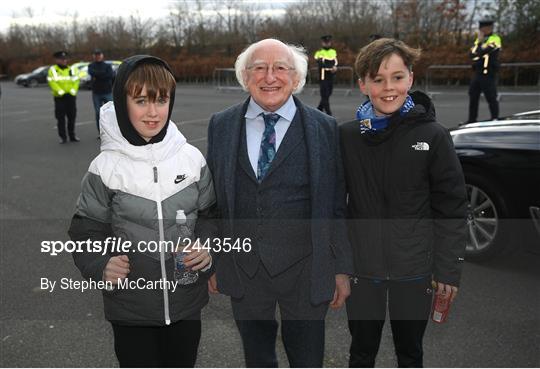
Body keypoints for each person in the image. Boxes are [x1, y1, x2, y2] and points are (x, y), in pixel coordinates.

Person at [206, 38, 353, 367]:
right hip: (245, 268)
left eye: (280, 68)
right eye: (259, 68)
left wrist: (341, 268)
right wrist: (213, 258)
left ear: (297, 79)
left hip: (305, 268)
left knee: (307, 358)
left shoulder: (325, 129)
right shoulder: (222, 125)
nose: (269, 76)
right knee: (257, 358)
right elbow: (211, 199)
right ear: (245, 77)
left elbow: (336, 205)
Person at [68, 55, 216, 368]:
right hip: (130, 309)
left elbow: (210, 217)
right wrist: (100, 264)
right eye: (141, 100)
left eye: (161, 100)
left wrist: (207, 248)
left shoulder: (191, 158)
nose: (153, 112)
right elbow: (84, 232)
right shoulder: (104, 167)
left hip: (186, 305)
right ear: (122, 103)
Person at [340, 38, 468, 367]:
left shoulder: (434, 136)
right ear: (362, 84)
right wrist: (337, 265)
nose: (388, 88)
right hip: (363, 272)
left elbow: (451, 208)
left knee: (410, 352)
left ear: (410, 78)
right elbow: (334, 206)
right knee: (361, 351)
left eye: (397, 77)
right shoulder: (348, 136)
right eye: (378, 79)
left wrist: (448, 270)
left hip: (414, 271)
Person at [467, 19, 502, 123]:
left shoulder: (495, 38)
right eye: (480, 29)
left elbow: (488, 51)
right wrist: (479, 48)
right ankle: (472, 120)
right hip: (478, 73)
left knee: (491, 97)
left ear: (489, 28)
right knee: (473, 96)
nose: (481, 31)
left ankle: (494, 118)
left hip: (489, 73)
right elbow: (471, 54)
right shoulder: (479, 40)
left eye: (482, 29)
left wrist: (479, 52)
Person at [47, 51, 80, 143]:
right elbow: (52, 82)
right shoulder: (53, 70)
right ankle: (63, 137)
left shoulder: (71, 69)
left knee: (72, 116)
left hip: (71, 96)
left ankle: (72, 135)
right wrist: (60, 91)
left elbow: (76, 80)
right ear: (57, 60)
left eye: (65, 59)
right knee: (60, 118)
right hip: (60, 97)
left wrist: (74, 90)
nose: (64, 61)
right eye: (62, 59)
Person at [88, 48, 114, 134]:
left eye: (99, 55)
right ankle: (101, 132)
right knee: (98, 113)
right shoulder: (91, 66)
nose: (98, 56)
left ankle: (111, 132)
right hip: (96, 93)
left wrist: (98, 75)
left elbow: (111, 75)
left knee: (111, 112)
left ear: (102, 56)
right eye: (96, 55)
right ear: (94, 56)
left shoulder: (107, 66)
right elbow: (92, 72)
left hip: (107, 92)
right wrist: (103, 74)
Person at [314, 35, 338, 116]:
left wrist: (335, 67)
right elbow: (320, 62)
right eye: (325, 42)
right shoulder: (319, 52)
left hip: (331, 76)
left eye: (328, 42)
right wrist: (330, 67)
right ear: (322, 43)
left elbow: (335, 62)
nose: (327, 44)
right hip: (323, 76)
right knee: (325, 95)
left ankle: (318, 109)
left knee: (328, 94)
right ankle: (329, 114)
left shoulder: (333, 51)